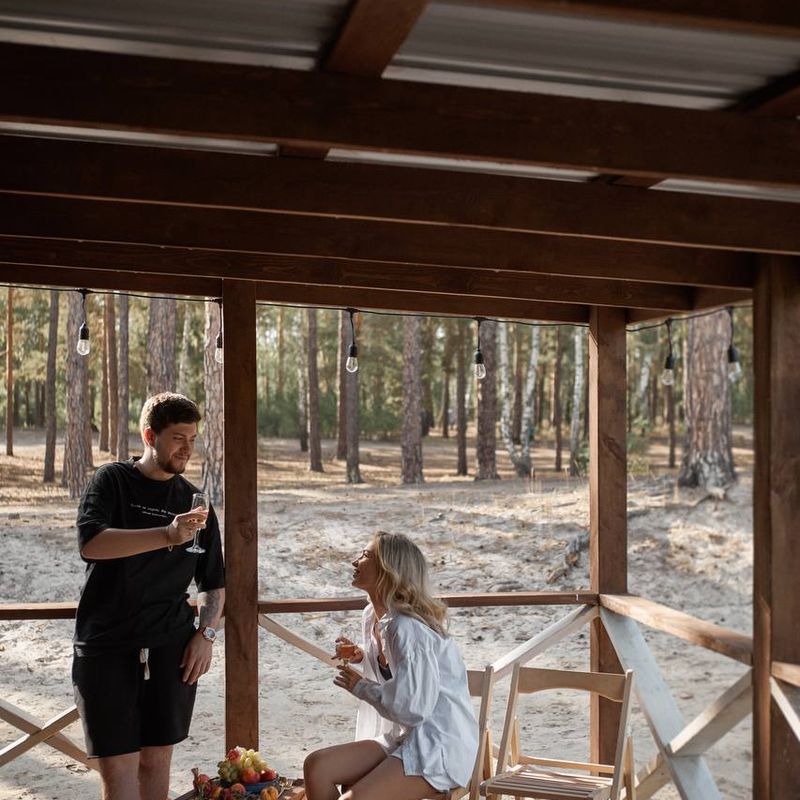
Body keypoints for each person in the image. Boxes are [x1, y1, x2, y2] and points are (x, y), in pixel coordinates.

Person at [72, 392, 226, 800]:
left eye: (192, 439)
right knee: (118, 771)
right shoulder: (112, 481)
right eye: (178, 438)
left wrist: (206, 635)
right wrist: (167, 535)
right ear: (149, 436)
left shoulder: (195, 503)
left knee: (156, 764)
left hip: (172, 649)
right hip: (106, 645)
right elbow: (92, 543)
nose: (187, 449)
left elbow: (213, 583)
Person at [303, 532, 478, 800]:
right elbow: (396, 670)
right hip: (402, 736)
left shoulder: (407, 627)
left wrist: (361, 687)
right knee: (317, 767)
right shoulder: (372, 617)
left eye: (365, 556)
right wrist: (364, 656)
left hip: (437, 745)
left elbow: (414, 708)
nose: (355, 561)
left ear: (388, 569)